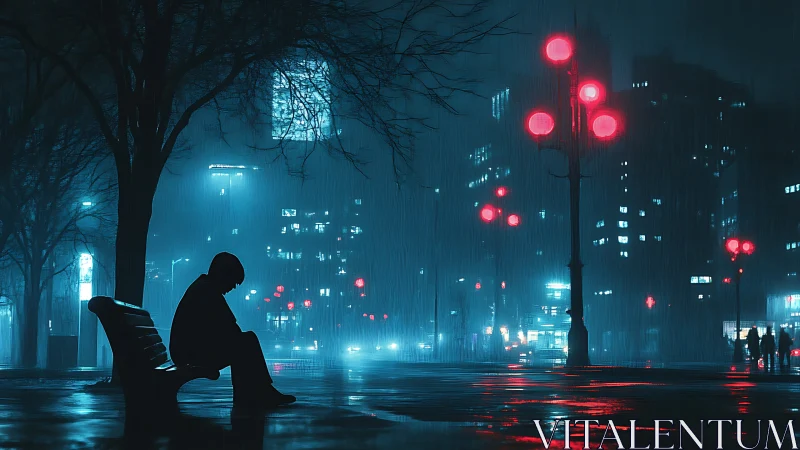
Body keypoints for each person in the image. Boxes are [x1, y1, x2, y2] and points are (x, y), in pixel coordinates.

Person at [170, 252, 296, 407]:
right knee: (246, 342)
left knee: (244, 342)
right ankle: (258, 392)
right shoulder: (207, 292)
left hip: (187, 351)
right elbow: (229, 327)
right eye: (233, 281)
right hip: (190, 355)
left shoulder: (204, 288)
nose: (232, 287)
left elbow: (225, 327)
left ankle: (255, 392)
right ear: (223, 274)